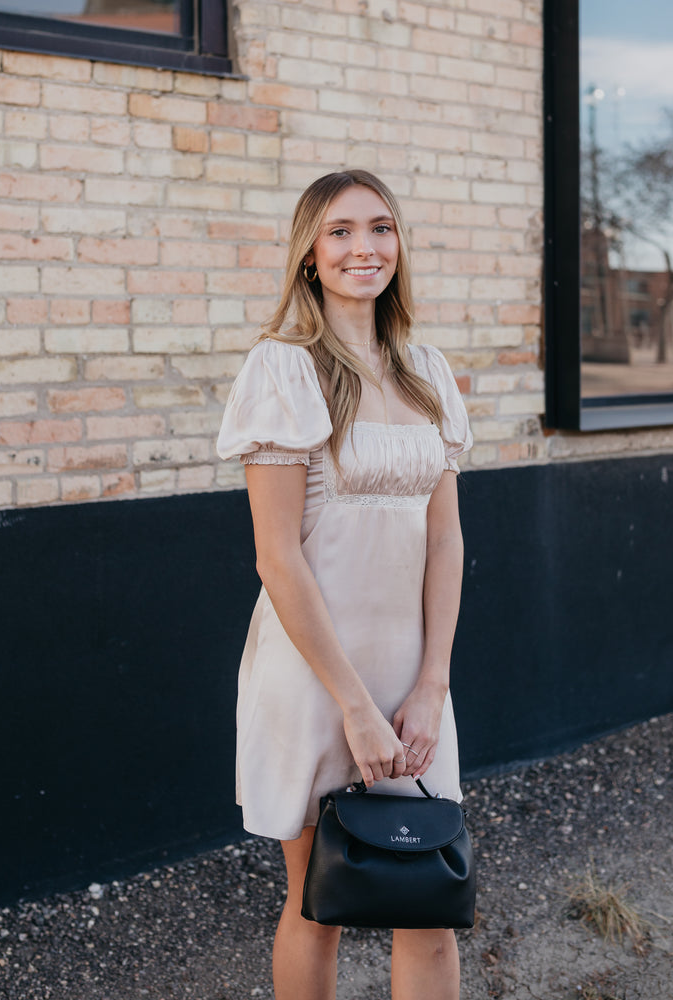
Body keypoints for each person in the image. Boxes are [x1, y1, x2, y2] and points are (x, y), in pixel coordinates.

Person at [216, 169, 473, 1000]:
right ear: (308, 256)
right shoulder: (282, 370)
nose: (364, 247)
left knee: (428, 903)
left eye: (381, 228)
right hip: (316, 675)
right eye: (339, 232)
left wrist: (431, 684)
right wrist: (356, 707)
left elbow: (445, 539)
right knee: (317, 902)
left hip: (411, 677)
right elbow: (277, 558)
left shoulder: (428, 371)